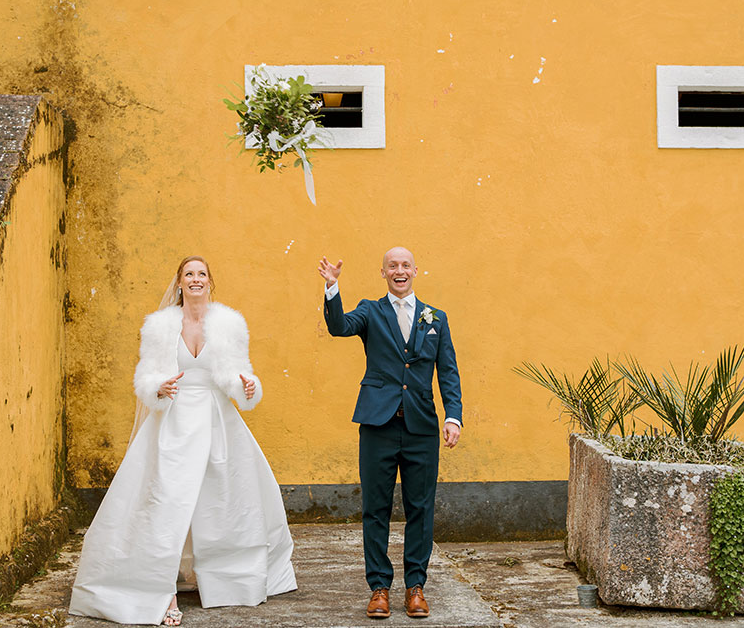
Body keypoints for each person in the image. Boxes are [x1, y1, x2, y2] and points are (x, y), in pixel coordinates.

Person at [69, 255, 296, 625]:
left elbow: (240, 375)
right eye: (188, 274)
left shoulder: (229, 323)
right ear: (179, 283)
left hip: (217, 421)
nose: (195, 280)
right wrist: (157, 387)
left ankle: (224, 580)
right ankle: (163, 590)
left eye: (201, 274)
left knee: (221, 502)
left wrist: (248, 386)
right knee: (166, 503)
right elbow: (146, 377)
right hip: (173, 422)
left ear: (210, 282)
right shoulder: (160, 327)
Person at [318, 247, 463, 619]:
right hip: (378, 424)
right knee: (376, 508)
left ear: (416, 270)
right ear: (383, 273)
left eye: (405, 265)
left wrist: (453, 417)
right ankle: (379, 588)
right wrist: (332, 289)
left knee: (421, 508)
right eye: (392, 266)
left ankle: (416, 587)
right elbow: (339, 327)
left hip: (421, 426)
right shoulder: (370, 310)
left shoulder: (437, 318)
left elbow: (447, 371)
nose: (399, 271)